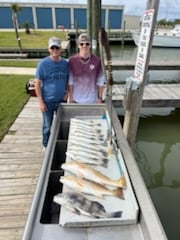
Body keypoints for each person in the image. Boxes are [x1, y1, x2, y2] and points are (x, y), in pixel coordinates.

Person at [35, 36, 68, 148]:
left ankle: (58, 144)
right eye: (52, 47)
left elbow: (69, 80)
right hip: (47, 101)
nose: (55, 50)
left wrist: (67, 93)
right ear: (49, 49)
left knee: (62, 124)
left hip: (61, 101)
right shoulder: (43, 64)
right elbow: (37, 84)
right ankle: (46, 145)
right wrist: (40, 102)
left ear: (60, 49)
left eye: (57, 47)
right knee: (47, 126)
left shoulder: (65, 64)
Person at [68, 33, 104, 104]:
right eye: (81, 44)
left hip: (92, 100)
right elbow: (70, 81)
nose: (84, 46)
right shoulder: (72, 60)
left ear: (90, 45)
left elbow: (100, 81)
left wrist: (100, 97)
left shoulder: (98, 60)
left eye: (87, 44)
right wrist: (70, 96)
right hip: (76, 99)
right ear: (78, 45)